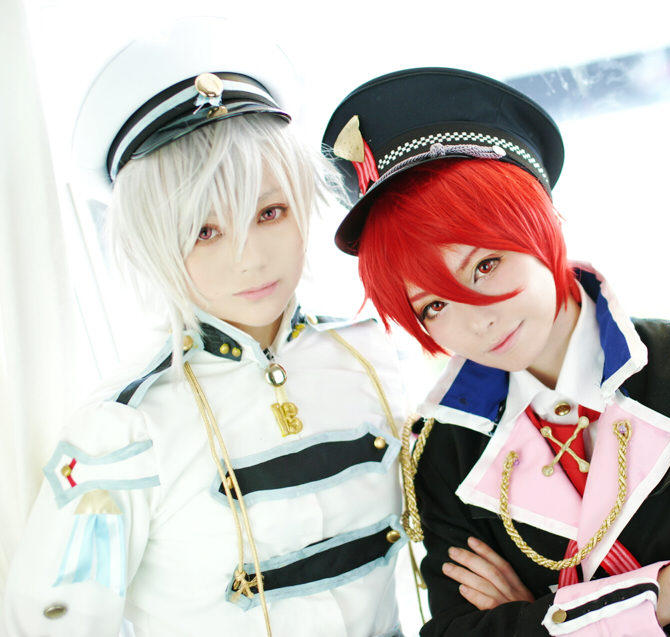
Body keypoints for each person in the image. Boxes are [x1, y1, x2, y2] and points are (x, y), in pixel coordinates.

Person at [321, 68, 670, 637]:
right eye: (433, 306)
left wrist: (534, 617)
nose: (477, 319)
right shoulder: (444, 451)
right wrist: (668, 596)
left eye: (486, 265)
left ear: (540, 225)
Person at [0, 18, 408, 637]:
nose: (250, 258)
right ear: (154, 242)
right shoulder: (124, 431)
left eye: (270, 212)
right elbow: (53, 623)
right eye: (205, 231)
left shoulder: (372, 356)